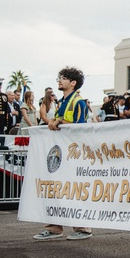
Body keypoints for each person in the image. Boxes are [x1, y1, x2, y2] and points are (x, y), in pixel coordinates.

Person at [33, 67, 94, 241]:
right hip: (60, 152)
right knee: (56, 190)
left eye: (63, 78)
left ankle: (83, 227)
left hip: (74, 154)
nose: (59, 81)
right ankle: (54, 227)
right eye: (59, 78)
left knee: (75, 190)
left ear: (73, 83)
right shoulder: (62, 102)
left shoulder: (78, 102)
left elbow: (80, 128)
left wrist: (60, 121)